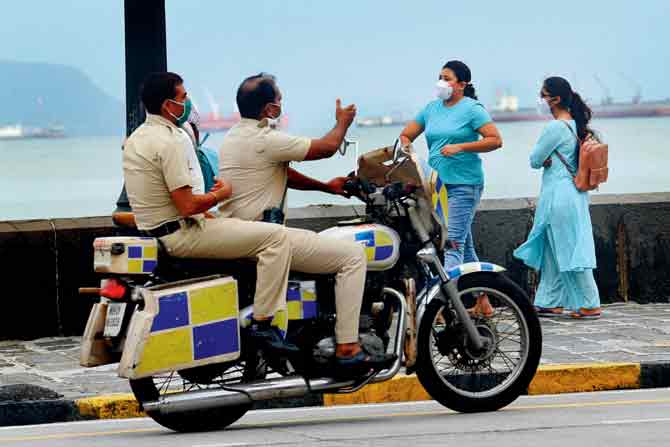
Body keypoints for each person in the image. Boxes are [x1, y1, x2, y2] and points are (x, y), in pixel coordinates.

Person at [218, 73, 396, 376]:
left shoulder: (235, 137)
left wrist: (327, 187)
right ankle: (348, 349)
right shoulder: (266, 139)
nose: (281, 106)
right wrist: (343, 122)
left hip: (239, 232)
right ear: (270, 109)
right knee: (352, 257)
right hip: (264, 237)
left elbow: (281, 172)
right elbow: (326, 147)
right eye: (280, 101)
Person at [122, 71, 298, 354]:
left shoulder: (136, 139)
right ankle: (264, 324)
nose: (188, 102)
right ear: (169, 105)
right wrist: (221, 194)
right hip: (182, 234)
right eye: (184, 97)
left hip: (158, 233)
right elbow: (188, 206)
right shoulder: (171, 140)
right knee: (276, 237)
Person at [399, 60, 503, 317]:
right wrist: (408, 150)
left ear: (462, 84)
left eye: (447, 78)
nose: (441, 83)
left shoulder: (472, 109)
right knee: (464, 245)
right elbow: (406, 135)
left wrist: (461, 147)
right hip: (437, 187)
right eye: (440, 77)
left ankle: (448, 309)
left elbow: (495, 140)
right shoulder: (431, 109)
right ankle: (483, 302)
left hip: (464, 185)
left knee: (451, 244)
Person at [513, 77, 601, 319]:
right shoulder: (574, 125)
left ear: (556, 99)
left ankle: (589, 302)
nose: (540, 100)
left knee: (569, 248)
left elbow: (534, 159)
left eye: (543, 95)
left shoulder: (555, 128)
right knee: (554, 250)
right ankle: (549, 301)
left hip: (559, 196)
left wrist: (545, 158)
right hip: (573, 194)